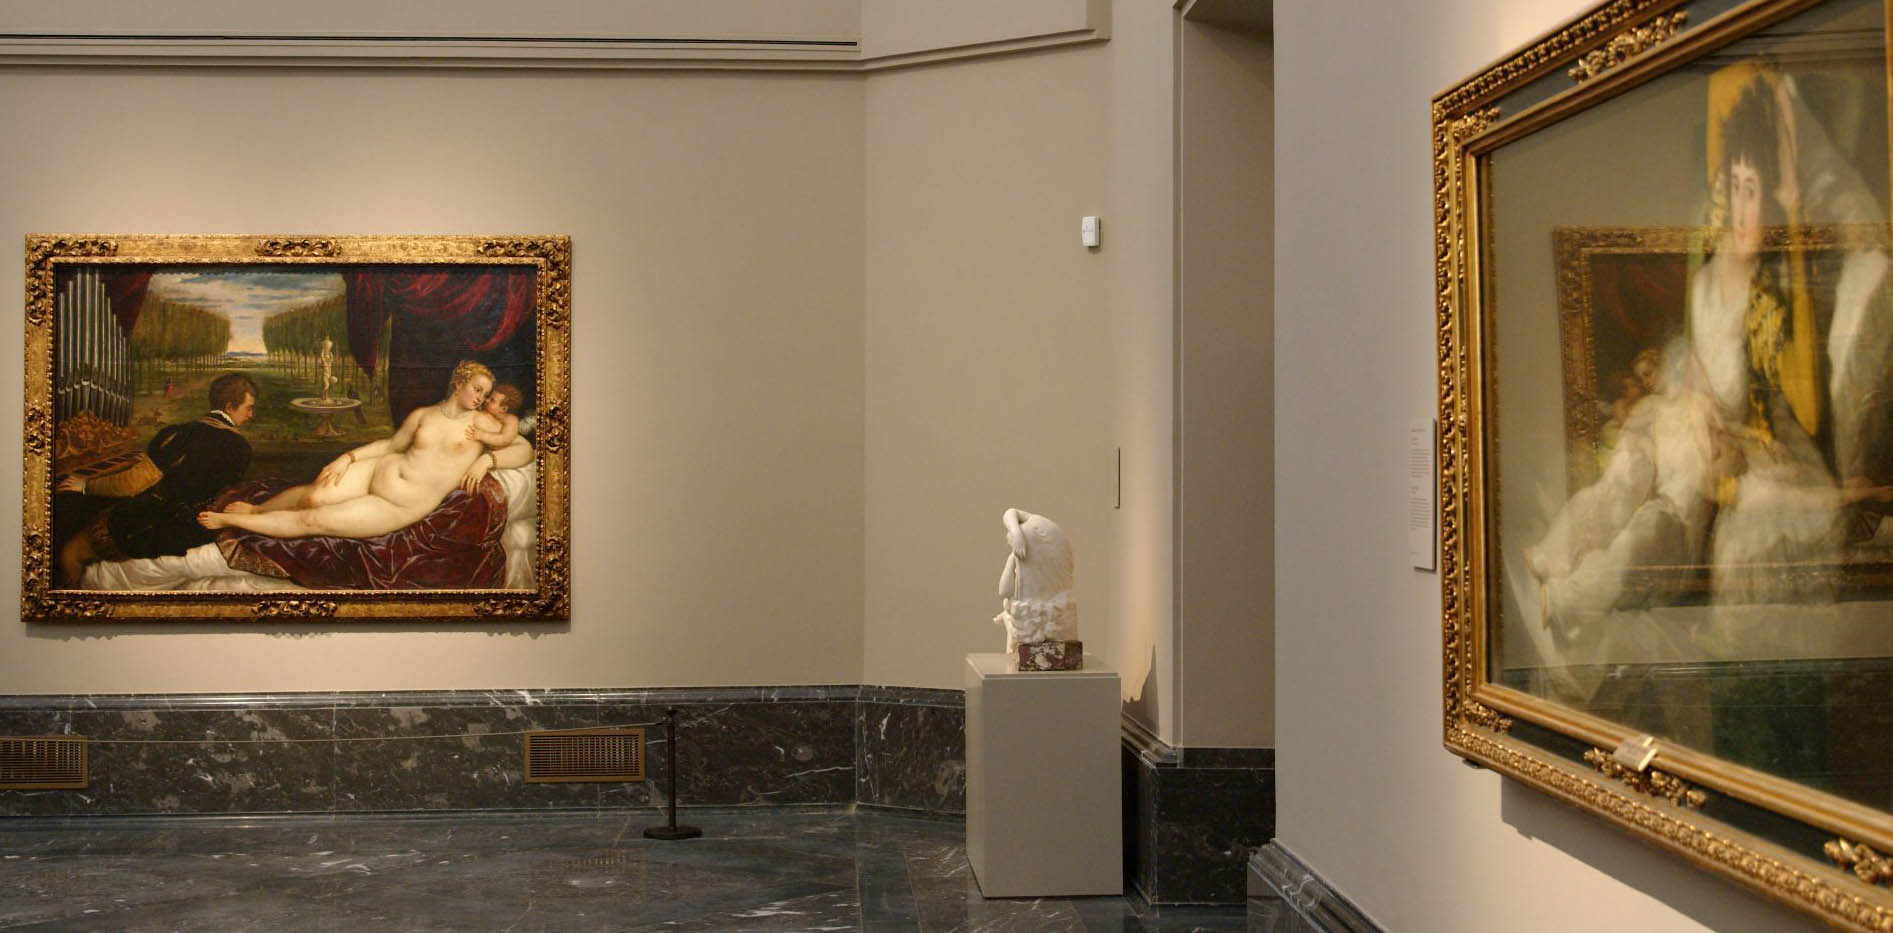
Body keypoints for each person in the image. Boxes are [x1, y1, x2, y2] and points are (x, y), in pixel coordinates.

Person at [199, 360, 521, 539]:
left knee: (313, 519)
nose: (481, 398)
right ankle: (257, 511)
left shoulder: (484, 423)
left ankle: (233, 522)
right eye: (477, 389)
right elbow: (391, 445)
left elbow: (526, 450)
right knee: (314, 496)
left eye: (485, 394)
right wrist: (347, 457)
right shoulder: (424, 414)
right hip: (377, 470)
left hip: (399, 504)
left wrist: (487, 461)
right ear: (459, 383)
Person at [55, 372, 257, 584]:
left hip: (160, 525)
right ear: (229, 407)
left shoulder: (179, 434)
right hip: (200, 528)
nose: (251, 414)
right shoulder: (242, 448)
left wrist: (86, 485)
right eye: (249, 408)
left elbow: (134, 482)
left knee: (70, 553)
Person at [468, 383, 523, 451]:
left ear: (503, 409)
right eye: (489, 397)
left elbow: (504, 439)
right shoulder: (487, 410)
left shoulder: (511, 420)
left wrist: (481, 435)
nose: (486, 400)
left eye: (492, 400)